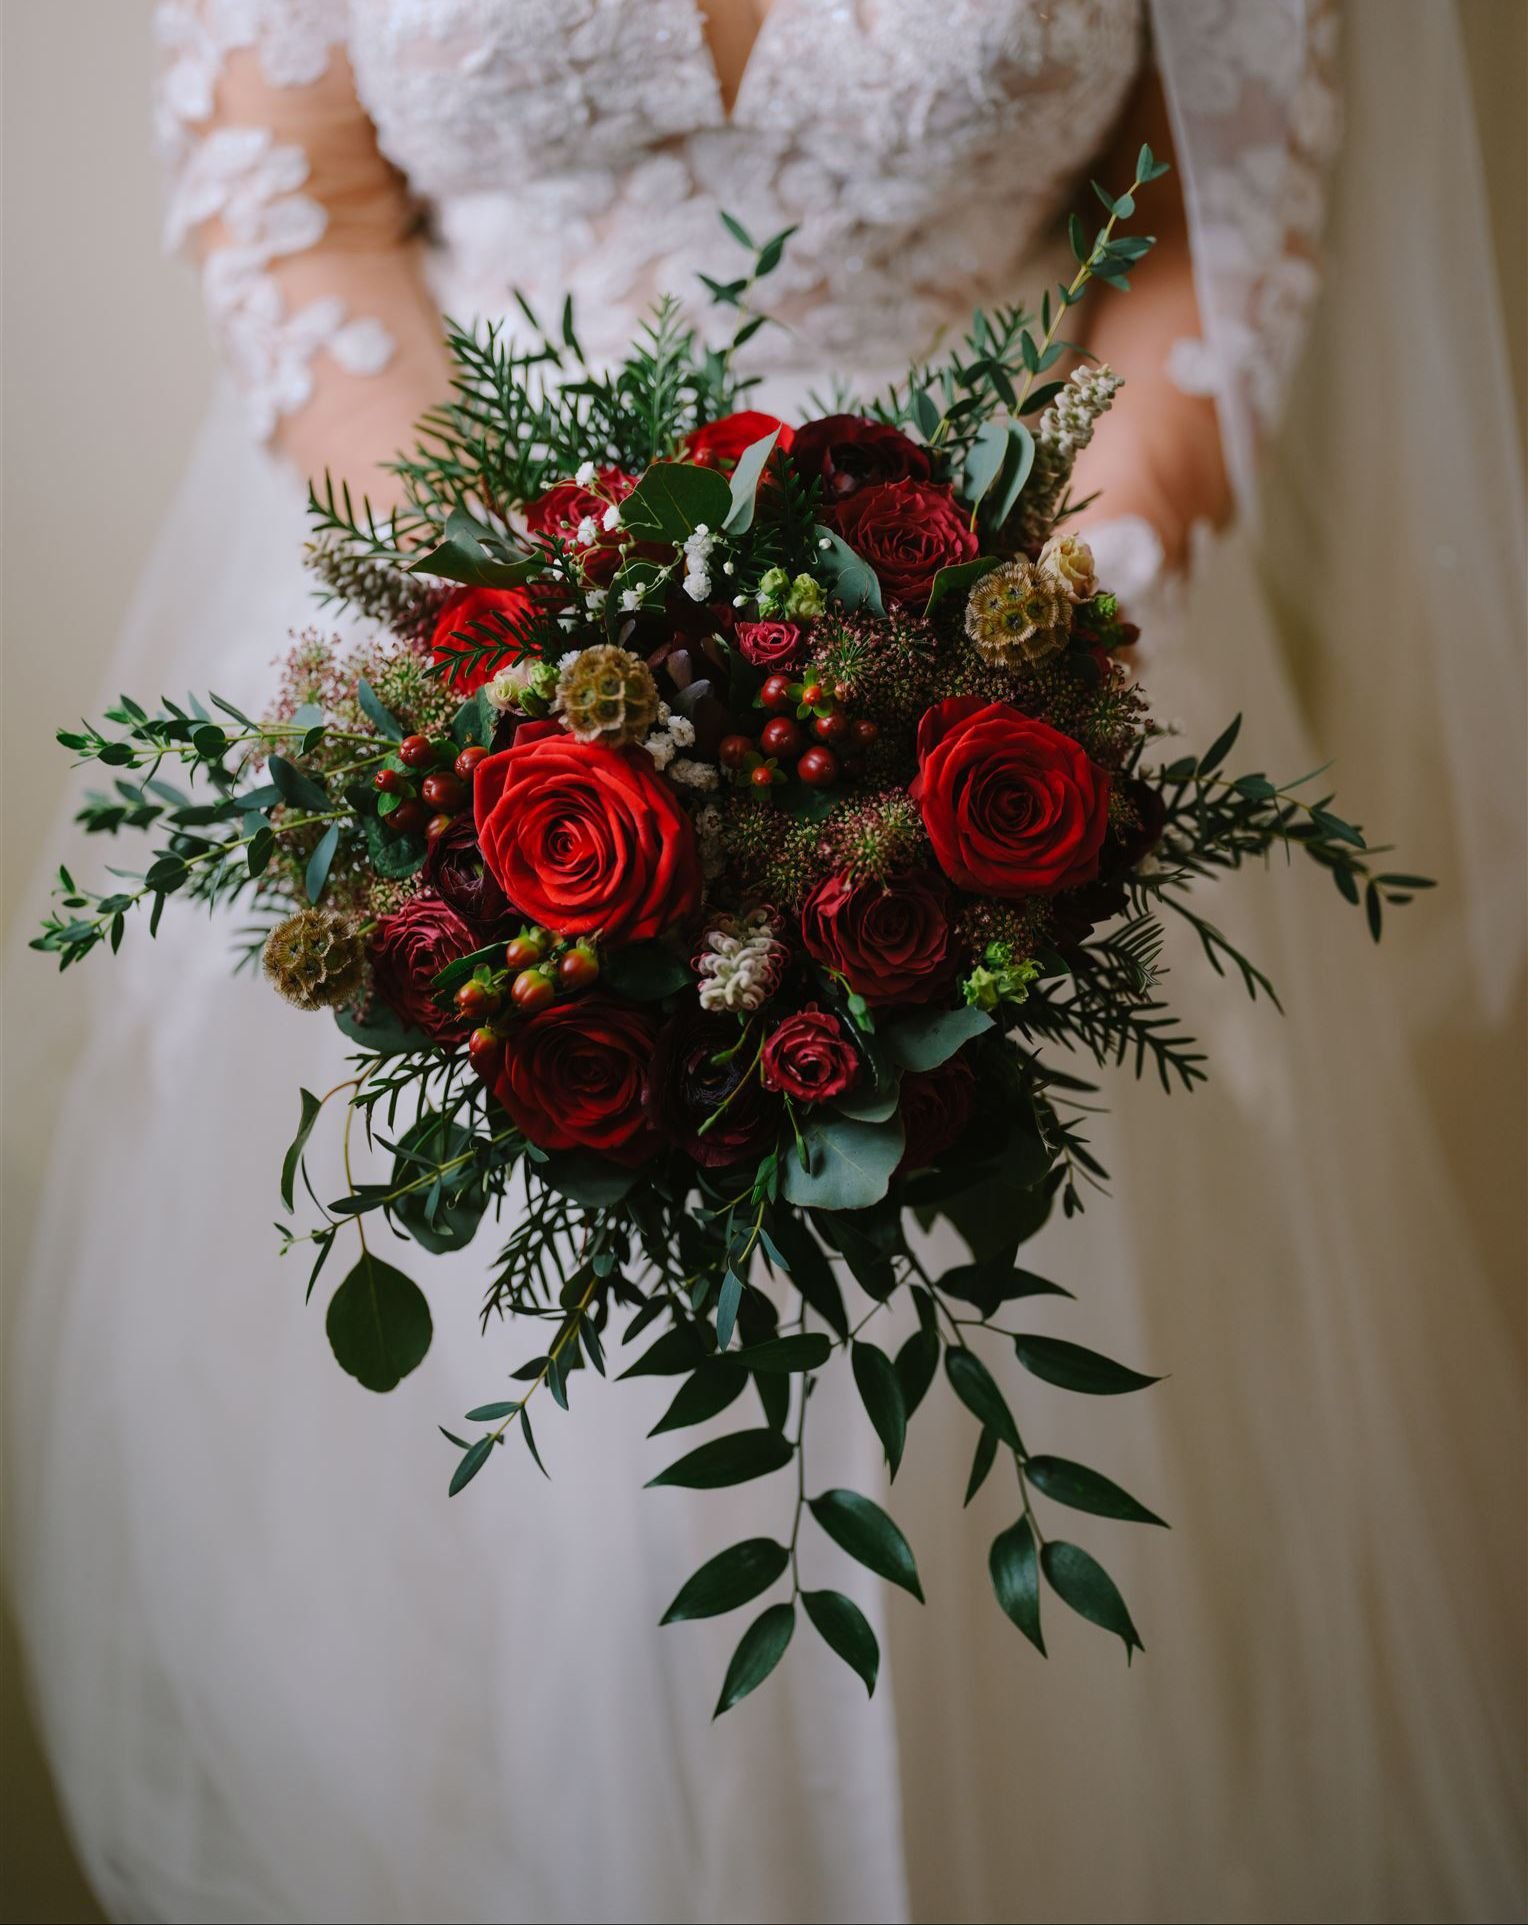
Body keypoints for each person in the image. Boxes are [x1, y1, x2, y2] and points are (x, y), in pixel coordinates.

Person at [7, 4, 1523, 1919]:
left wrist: (1020, 674)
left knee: (1002, 1482)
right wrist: (505, 682)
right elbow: (297, 196)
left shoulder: (1019, 673)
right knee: (521, 1513)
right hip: (457, 672)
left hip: (1013, 663)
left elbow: (1217, 219)